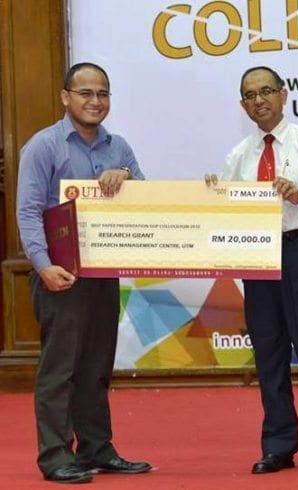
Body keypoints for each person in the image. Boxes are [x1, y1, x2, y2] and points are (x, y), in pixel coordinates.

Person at [207, 66, 298, 474]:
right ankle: (278, 445)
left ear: (284, 95)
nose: (259, 101)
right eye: (250, 95)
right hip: (255, 255)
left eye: (266, 91)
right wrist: (211, 194)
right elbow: (226, 210)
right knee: (268, 351)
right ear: (242, 104)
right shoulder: (239, 155)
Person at [16, 62, 152, 484]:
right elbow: (27, 211)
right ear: (65, 97)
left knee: (95, 366)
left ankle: (97, 449)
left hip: (103, 273)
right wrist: (44, 266)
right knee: (60, 370)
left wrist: (126, 177)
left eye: (103, 94)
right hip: (61, 275)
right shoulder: (43, 146)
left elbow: (148, 199)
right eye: (85, 93)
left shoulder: (119, 147)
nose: (95, 102)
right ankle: (56, 455)